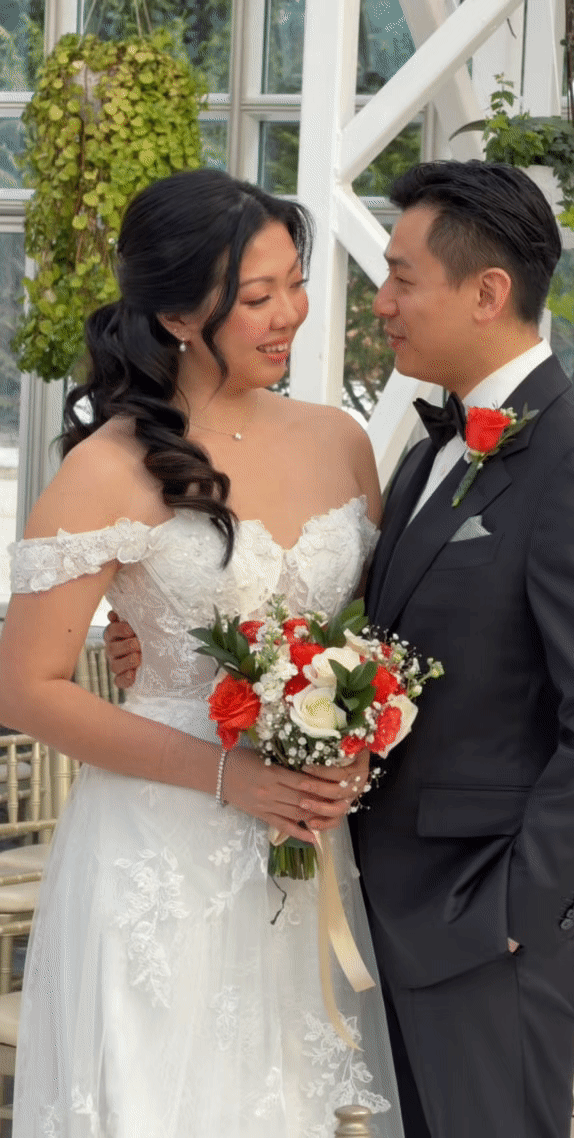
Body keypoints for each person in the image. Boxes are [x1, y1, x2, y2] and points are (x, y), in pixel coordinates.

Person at [104, 159, 574, 1137]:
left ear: (486, 293)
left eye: (400, 277)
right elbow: (369, 632)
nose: (377, 302)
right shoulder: (434, 443)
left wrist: (514, 914)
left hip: (484, 931)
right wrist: (187, 657)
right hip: (384, 905)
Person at [0, 168, 405, 1138]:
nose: (291, 315)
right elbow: (25, 685)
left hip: (305, 844)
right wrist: (230, 775)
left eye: (294, 284)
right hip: (157, 849)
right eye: (257, 297)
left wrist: (353, 730)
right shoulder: (109, 466)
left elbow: (368, 635)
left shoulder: (340, 440)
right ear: (180, 315)